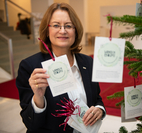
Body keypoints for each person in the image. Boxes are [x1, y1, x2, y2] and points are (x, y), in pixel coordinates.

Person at [16, 3, 106, 133]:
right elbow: (31, 124)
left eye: (68, 26)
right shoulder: (30, 67)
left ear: (76, 30)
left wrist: (99, 109)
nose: (63, 31)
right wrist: (38, 97)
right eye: (56, 25)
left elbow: (97, 98)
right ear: (47, 30)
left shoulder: (88, 62)